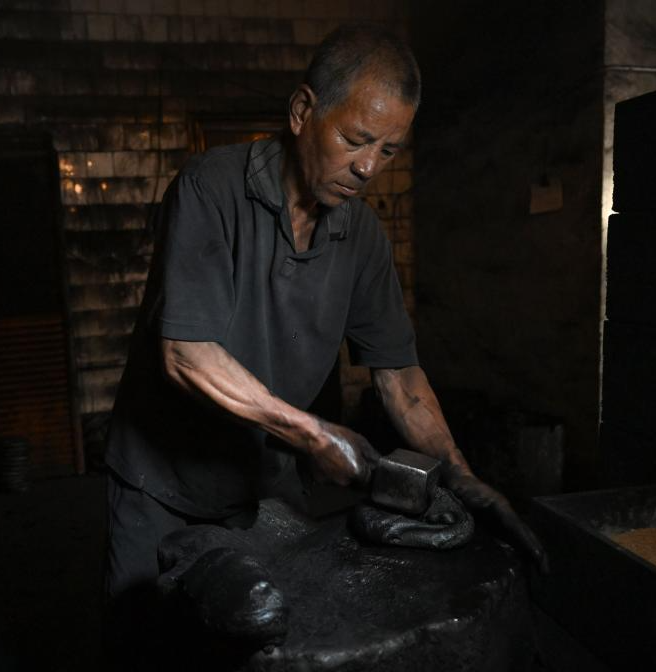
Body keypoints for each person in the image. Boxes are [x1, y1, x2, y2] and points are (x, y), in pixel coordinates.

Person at [102, 23, 546, 664]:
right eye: (355, 139)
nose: (367, 167)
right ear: (302, 111)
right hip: (162, 488)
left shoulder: (360, 237)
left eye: (388, 150)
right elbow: (185, 353)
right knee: (151, 649)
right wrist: (313, 435)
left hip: (265, 490)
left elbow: (400, 379)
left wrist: (462, 475)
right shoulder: (210, 188)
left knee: (281, 648)